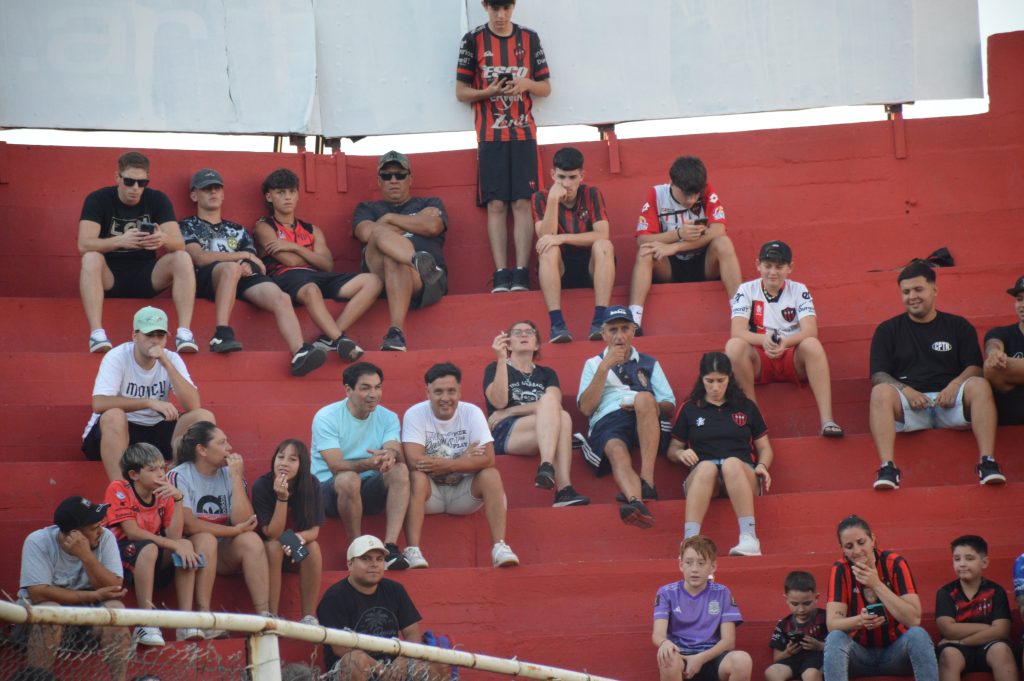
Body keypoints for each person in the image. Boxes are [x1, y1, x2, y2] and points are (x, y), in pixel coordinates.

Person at [869, 261, 1006, 490]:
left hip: (951, 404)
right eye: (906, 292)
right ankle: (888, 468)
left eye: (918, 289)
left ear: (934, 289)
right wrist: (906, 391)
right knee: (880, 391)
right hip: (910, 408)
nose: (912, 297)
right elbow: (878, 375)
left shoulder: (958, 326)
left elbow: (975, 367)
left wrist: (955, 385)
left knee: (980, 385)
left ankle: (987, 463)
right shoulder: (887, 330)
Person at [179, 168, 326, 376]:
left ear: (223, 194)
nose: (213, 192)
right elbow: (199, 257)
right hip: (205, 279)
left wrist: (249, 262)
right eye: (206, 189)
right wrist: (242, 257)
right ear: (194, 195)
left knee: (281, 297)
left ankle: (299, 351)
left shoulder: (238, 229)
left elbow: (258, 264)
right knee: (231, 268)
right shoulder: (186, 225)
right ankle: (221, 334)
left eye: (217, 188)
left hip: (241, 277)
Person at [455, 0, 551, 293]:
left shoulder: (529, 37)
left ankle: (521, 272)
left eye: (506, 8)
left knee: (523, 203)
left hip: (524, 134)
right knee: (496, 204)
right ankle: (500, 273)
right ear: (484, 6)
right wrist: (489, 91)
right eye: (495, 8)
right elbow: (461, 92)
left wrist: (526, 84)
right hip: (490, 135)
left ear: (513, 6)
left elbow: (546, 87)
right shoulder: (473, 39)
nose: (501, 15)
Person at [254, 168, 382, 362]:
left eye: (292, 191)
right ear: (269, 197)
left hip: (316, 276)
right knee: (311, 289)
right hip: (285, 278)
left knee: (373, 281)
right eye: (280, 192)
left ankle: (329, 338)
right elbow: (289, 261)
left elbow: (327, 264)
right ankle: (339, 339)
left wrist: (294, 247)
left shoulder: (312, 229)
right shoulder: (264, 226)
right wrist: (312, 256)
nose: (287, 197)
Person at [78, 150, 197, 354]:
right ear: (117, 177)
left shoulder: (157, 199)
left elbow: (179, 244)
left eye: (142, 183)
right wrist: (120, 241)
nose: (135, 188)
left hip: (147, 275)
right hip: (110, 276)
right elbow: (83, 245)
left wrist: (163, 239)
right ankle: (97, 334)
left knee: (182, 258)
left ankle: (184, 333)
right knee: (91, 258)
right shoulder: (98, 199)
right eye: (129, 181)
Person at [402, 362, 519, 569]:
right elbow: (415, 461)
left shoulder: (471, 412)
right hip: (431, 493)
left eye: (451, 391)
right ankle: (412, 550)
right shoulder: (415, 413)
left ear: (460, 391)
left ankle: (500, 547)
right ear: (427, 392)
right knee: (416, 478)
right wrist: (464, 459)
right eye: (438, 391)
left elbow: (488, 459)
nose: (445, 397)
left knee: (491, 475)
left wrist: (448, 465)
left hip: (463, 493)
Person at [82, 306, 216, 482]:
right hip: (119, 432)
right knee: (113, 415)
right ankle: (121, 491)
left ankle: (175, 478)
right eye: (149, 335)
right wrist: (149, 402)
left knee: (203, 416)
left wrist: (166, 363)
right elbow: (99, 403)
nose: (155, 341)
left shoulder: (171, 359)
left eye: (160, 335)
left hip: (155, 429)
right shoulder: (117, 356)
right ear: (135, 336)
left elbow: (193, 405)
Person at [725, 240, 842, 437]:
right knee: (734, 346)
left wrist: (786, 342)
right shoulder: (746, 289)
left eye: (779, 267)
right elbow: (737, 332)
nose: (773, 272)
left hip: (791, 356)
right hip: (760, 358)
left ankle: (827, 420)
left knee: (812, 344)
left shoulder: (799, 289)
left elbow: (810, 330)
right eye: (768, 266)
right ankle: (753, 417)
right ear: (758, 265)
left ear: (790, 268)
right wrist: (763, 340)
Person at [577, 306, 675, 528]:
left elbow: (669, 405)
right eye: (613, 330)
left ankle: (647, 481)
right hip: (608, 420)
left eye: (624, 329)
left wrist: (645, 404)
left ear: (633, 331)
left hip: (645, 417)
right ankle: (636, 501)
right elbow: (586, 408)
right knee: (615, 449)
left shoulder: (649, 362)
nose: (619, 336)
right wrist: (604, 367)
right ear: (604, 335)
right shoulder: (593, 364)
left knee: (644, 398)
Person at [666, 352, 772, 557]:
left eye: (721, 380)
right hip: (704, 477)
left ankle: (749, 538)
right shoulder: (690, 408)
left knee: (731, 464)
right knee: (706, 467)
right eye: (710, 381)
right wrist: (680, 453)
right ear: (701, 379)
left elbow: (765, 448)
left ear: (730, 378)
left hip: (742, 472)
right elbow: (672, 449)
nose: (715, 387)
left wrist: (762, 465)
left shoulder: (746, 406)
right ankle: (690, 542)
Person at [167, 421, 271, 621]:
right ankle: (204, 615)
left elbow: (245, 521)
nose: (229, 448)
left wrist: (236, 478)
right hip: (190, 551)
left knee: (251, 540)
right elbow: (189, 525)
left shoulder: (230, 474)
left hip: (222, 552)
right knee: (206, 539)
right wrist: (235, 531)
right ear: (202, 450)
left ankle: (264, 617)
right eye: (222, 443)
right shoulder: (179, 475)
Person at [311, 362, 410, 570]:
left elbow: (393, 447)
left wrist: (390, 455)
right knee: (348, 478)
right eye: (366, 388)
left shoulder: (388, 416)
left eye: (378, 387)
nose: (373, 394)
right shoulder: (326, 417)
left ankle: (391, 548)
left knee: (400, 470)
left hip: (367, 488)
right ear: (348, 390)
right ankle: (357, 549)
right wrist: (370, 464)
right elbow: (335, 465)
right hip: (328, 490)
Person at [18, 496, 129, 680]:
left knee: (116, 609)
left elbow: (114, 587)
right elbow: (38, 593)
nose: (101, 530)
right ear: (74, 534)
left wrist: (86, 555)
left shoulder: (105, 537)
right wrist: (93, 596)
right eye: (94, 528)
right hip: (36, 623)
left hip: (86, 620)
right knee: (50, 611)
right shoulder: (38, 541)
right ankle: (37, 678)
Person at [628, 155, 741, 333]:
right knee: (645, 251)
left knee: (724, 243)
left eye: (696, 194)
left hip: (703, 263)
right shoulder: (657, 194)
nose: (691, 200)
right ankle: (633, 320)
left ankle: (741, 314)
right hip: (670, 266)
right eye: (686, 194)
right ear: (672, 183)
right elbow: (642, 240)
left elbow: (719, 230)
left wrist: (675, 246)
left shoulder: (705, 189)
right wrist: (679, 234)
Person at [483, 320, 590, 507]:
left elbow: (554, 403)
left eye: (529, 332)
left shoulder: (547, 373)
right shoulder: (495, 368)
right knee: (555, 411)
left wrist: (509, 410)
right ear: (508, 344)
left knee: (562, 415)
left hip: (539, 429)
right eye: (517, 332)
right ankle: (549, 470)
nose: (524, 334)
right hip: (507, 431)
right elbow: (498, 402)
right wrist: (501, 359)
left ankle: (562, 487)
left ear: (537, 345)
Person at [103, 443, 201, 646]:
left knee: (185, 544)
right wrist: (172, 545)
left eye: (162, 468)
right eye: (152, 469)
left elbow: (174, 536)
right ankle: (145, 621)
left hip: (151, 553)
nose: (161, 474)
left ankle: (185, 621)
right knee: (150, 547)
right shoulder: (119, 488)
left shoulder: (163, 492)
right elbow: (132, 532)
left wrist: (178, 499)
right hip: (119, 554)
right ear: (134, 474)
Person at [352, 151, 448, 352]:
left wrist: (388, 220)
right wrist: (415, 220)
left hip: (426, 278)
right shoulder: (367, 208)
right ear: (379, 181)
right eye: (387, 176)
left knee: (393, 257)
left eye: (400, 175)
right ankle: (415, 259)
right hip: (379, 275)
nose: (393, 180)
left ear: (410, 179)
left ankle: (396, 332)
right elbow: (367, 233)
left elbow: (432, 227)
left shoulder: (429, 204)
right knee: (381, 238)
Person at [823, 514, 938, 681]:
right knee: (835, 638)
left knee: (918, 635)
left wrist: (877, 584)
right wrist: (860, 620)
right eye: (849, 546)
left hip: (895, 652)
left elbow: (913, 619)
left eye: (861, 542)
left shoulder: (895, 563)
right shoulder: (841, 569)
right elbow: (832, 624)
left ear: (872, 539)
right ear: (842, 549)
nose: (857, 551)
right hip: (859, 655)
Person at [317, 535, 439, 680]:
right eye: (366, 559)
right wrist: (381, 669)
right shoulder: (334, 597)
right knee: (356, 660)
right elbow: (340, 648)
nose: (374, 564)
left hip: (392, 669)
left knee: (437, 666)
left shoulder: (395, 590)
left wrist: (404, 657)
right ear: (350, 564)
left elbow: (412, 634)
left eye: (379, 559)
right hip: (353, 670)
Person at [531, 146, 615, 343]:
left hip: (591, 266)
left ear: (581, 176)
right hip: (558, 268)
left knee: (604, 245)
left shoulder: (591, 193)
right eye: (561, 177)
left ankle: (600, 321)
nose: (566, 184)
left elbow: (603, 234)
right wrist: (553, 200)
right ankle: (557, 324)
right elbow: (546, 236)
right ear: (552, 174)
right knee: (549, 249)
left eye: (572, 177)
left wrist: (563, 238)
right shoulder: (540, 197)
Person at [652, 535, 752, 681]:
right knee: (668, 656)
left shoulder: (722, 593)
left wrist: (700, 658)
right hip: (681, 657)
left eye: (701, 563)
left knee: (742, 660)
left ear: (713, 567)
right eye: (689, 563)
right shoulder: (666, 593)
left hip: (712, 657)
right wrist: (664, 643)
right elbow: (658, 634)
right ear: (681, 565)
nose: (694, 569)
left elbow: (729, 641)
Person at [252, 439, 324, 625]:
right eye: (280, 457)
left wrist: (298, 539)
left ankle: (309, 617)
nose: (284, 463)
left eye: (292, 459)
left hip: (293, 549)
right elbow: (271, 533)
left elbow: (314, 530)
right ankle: (272, 616)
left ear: (302, 464)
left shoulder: (311, 484)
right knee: (274, 546)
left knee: (312, 548)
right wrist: (282, 498)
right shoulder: (262, 485)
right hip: (267, 553)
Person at [934, 535, 1016, 681]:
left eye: (969, 558)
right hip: (957, 650)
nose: (962, 564)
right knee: (948, 655)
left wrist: (963, 642)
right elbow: (948, 630)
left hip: (988, 645)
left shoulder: (995, 591)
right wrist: (987, 627)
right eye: (957, 559)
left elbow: (1002, 630)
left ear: (984, 562)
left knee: (1002, 651)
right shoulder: (946, 593)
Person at [765, 571, 827, 681]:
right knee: (772, 672)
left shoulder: (825, 618)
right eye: (795, 604)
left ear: (816, 597)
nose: (801, 609)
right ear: (786, 600)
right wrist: (788, 652)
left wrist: (819, 646)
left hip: (816, 660)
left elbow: (838, 646)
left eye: (806, 603)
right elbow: (776, 658)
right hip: (792, 660)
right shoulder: (783, 624)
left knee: (810, 675)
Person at [983, 275, 1024, 425]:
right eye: (1019, 299)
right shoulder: (1002, 333)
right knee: (992, 366)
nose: (1022, 305)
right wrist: (994, 352)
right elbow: (993, 343)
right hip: (1016, 408)